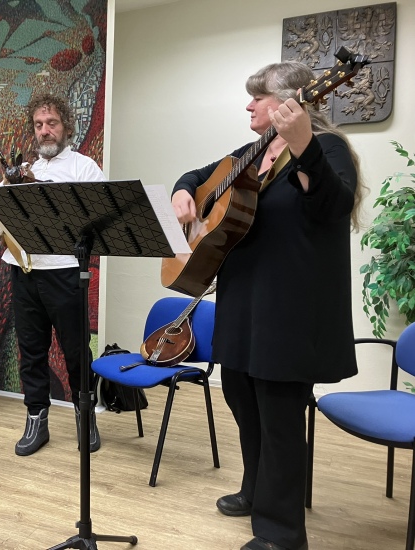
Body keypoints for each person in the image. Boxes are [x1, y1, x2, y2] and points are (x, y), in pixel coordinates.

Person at [171, 61, 364, 550]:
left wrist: (303, 146)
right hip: (242, 303)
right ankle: (256, 491)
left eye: (258, 96)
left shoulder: (326, 148)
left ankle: (281, 535)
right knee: (243, 401)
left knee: (279, 418)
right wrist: (183, 192)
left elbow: (334, 207)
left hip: (290, 309)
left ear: (292, 100)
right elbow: (197, 175)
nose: (249, 105)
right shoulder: (249, 153)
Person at [0, 92, 106, 456]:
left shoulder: (84, 168)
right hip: (23, 272)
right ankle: (36, 418)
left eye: (51, 123)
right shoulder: (19, 172)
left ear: (66, 127)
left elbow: (98, 221)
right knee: (31, 351)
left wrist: (45, 195)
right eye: (38, 125)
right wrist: (12, 188)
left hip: (65, 273)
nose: (45, 130)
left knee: (76, 351)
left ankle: (86, 416)